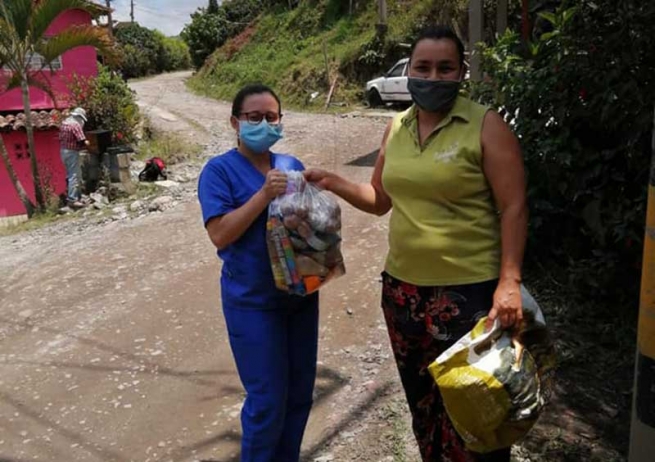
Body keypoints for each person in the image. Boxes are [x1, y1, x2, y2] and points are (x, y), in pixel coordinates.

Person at [305, 25, 527, 461]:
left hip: (469, 295)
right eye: (423, 67)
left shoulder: (485, 125)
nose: (433, 76)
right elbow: (380, 200)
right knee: (425, 407)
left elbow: (515, 207)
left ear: (462, 72)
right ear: (409, 71)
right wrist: (332, 182)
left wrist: (510, 281)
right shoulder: (397, 127)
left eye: (445, 68)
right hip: (402, 294)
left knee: (477, 415)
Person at [197, 84, 319, 462]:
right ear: (235, 122)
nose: (264, 123)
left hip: (300, 297)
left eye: (271, 117)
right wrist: (263, 196)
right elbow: (220, 234)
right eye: (254, 117)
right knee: (267, 402)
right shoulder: (218, 172)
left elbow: (304, 228)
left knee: (299, 396)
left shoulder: (291, 164)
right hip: (253, 304)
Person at [59, 107, 90, 209]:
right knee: (74, 175)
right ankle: (73, 199)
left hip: (63, 151)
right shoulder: (75, 125)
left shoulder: (64, 124)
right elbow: (82, 140)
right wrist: (89, 143)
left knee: (69, 174)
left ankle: (74, 196)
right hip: (72, 152)